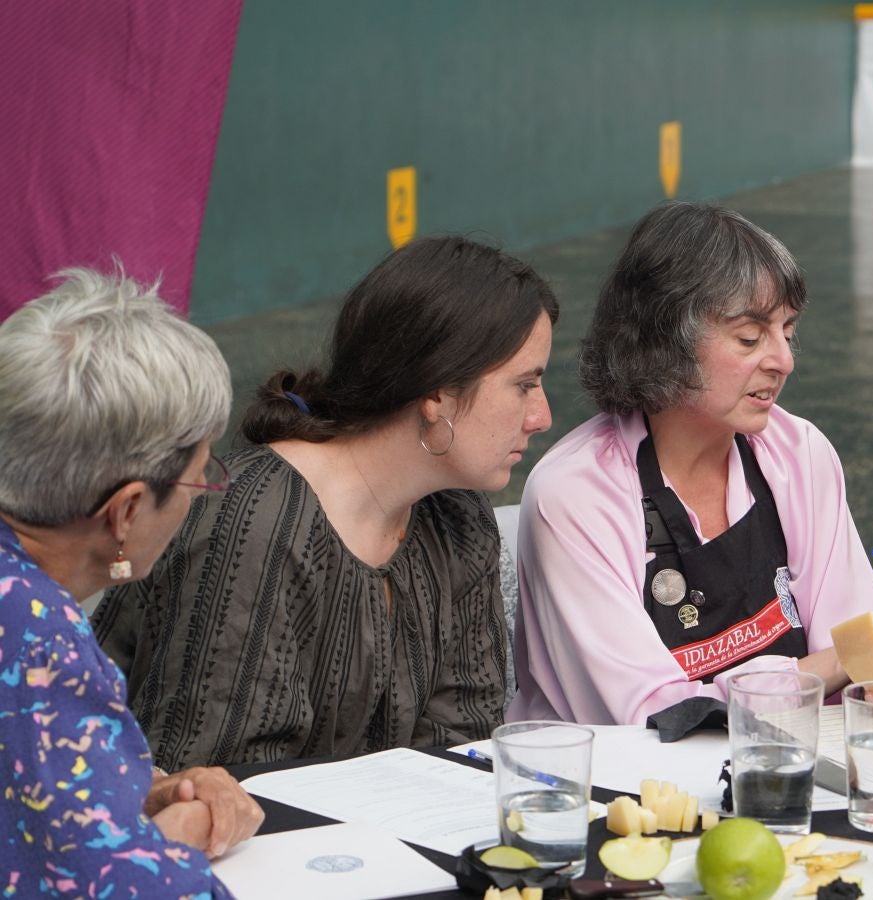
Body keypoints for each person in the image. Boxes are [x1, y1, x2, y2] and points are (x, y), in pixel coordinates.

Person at [94, 236, 558, 768]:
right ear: (436, 393)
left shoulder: (455, 513)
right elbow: (220, 780)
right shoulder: (253, 522)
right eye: (524, 385)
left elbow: (462, 747)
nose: (542, 417)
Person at [509, 202, 873, 726]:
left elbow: (854, 654)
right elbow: (654, 718)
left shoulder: (800, 453)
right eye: (750, 338)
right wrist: (854, 658)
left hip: (787, 757)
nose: (784, 360)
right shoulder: (576, 493)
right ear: (664, 339)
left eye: (787, 333)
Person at [0, 268, 262, 895]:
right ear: (126, 511)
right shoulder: (35, 642)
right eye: (201, 477)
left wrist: (137, 792)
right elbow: (121, 887)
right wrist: (184, 830)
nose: (202, 495)